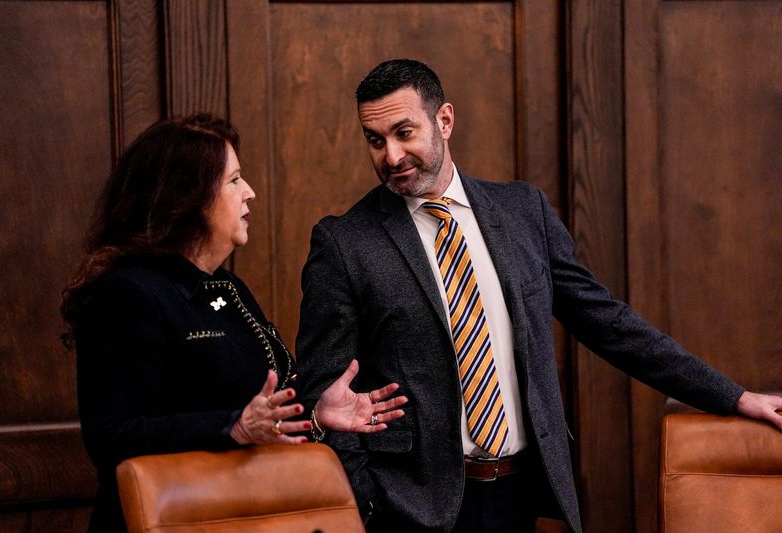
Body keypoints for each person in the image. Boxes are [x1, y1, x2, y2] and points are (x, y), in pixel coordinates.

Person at [295, 59, 782, 532]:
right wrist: (365, 504)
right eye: (375, 141)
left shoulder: (522, 210)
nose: (391, 156)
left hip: (519, 494)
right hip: (412, 507)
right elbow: (326, 390)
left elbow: (609, 324)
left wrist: (733, 396)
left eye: (404, 133)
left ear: (445, 120)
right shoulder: (344, 242)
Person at [60, 114, 407, 533]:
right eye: (234, 180)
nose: (250, 193)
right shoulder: (128, 294)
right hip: (172, 521)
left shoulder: (226, 287)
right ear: (188, 196)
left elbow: (261, 414)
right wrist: (233, 427)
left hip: (246, 516)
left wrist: (315, 415)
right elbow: (112, 437)